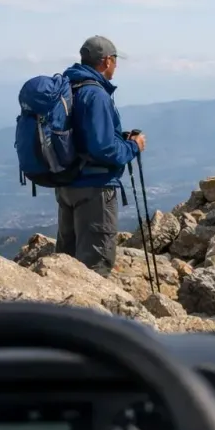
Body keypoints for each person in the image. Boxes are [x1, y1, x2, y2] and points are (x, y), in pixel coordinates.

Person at [55, 35, 146, 276]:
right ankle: (87, 312)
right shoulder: (96, 94)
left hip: (67, 184)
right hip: (94, 190)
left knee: (67, 264)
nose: (116, 65)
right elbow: (104, 149)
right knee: (94, 267)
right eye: (115, 60)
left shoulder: (70, 87)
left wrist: (119, 138)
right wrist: (133, 146)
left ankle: (59, 311)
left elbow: (84, 136)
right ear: (106, 61)